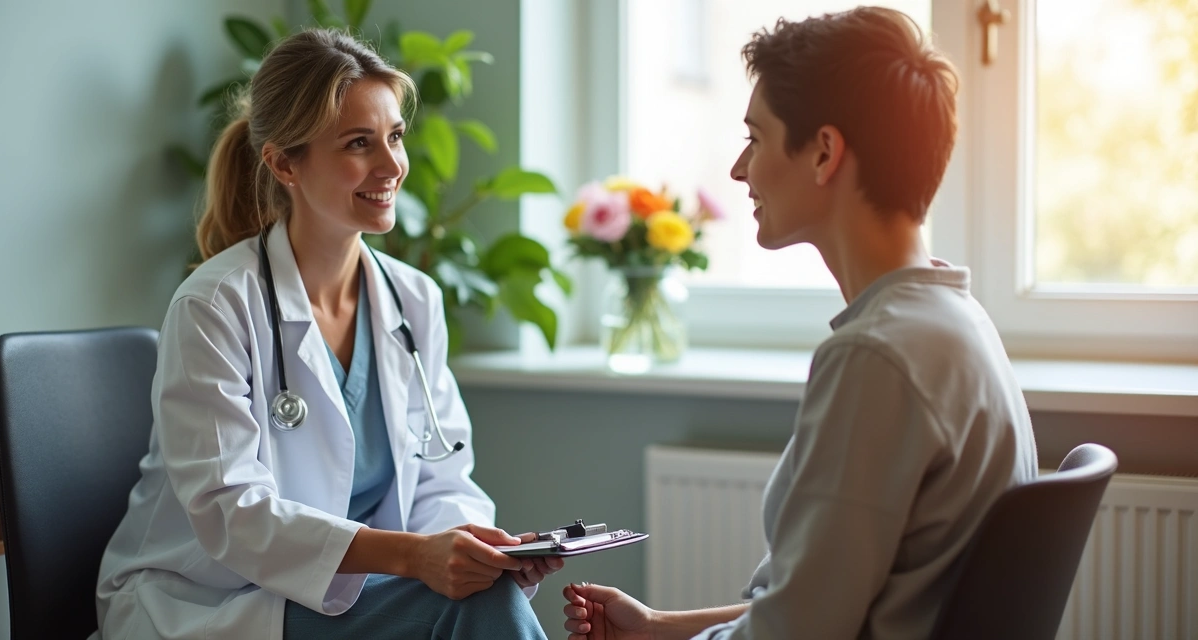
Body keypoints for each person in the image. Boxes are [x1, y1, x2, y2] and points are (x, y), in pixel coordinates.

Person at [562, 6, 1038, 639]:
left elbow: (798, 632)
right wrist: (658, 629)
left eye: (755, 138)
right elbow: (822, 603)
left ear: (823, 152)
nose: (739, 169)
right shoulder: (954, 323)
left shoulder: (879, 357)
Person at [92, 29, 560, 640]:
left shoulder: (412, 299)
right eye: (358, 144)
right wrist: (410, 557)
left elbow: (443, 476)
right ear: (284, 163)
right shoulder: (216, 305)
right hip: (213, 598)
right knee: (478, 614)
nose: (392, 165)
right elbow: (232, 514)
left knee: (487, 594)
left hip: (355, 592)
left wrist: (472, 547)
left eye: (395, 136)